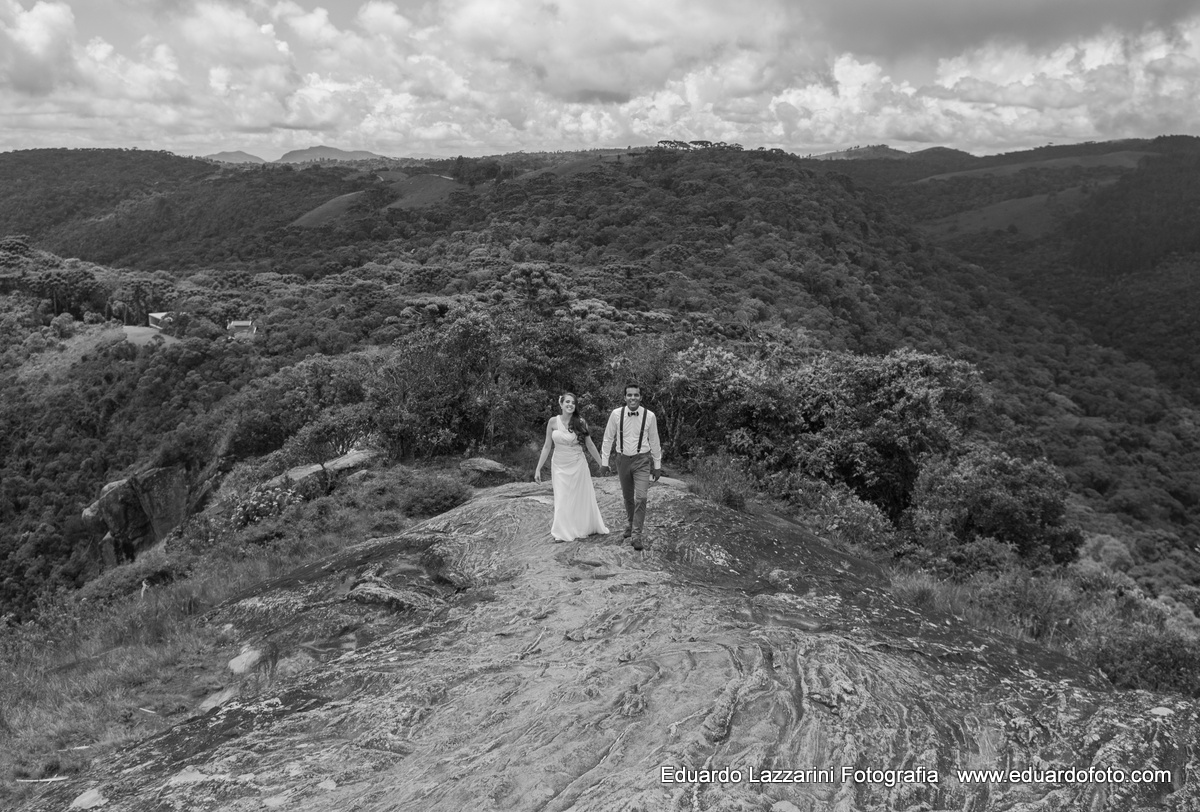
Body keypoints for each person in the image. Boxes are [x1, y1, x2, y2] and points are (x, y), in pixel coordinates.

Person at [534, 392, 609, 542]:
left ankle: (581, 527)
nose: (570, 405)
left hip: (577, 464)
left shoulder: (580, 422)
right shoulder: (552, 422)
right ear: (561, 404)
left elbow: (590, 445)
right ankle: (562, 532)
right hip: (559, 465)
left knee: (578, 497)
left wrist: (602, 464)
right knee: (562, 497)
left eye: (573, 403)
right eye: (567, 402)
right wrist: (538, 468)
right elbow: (547, 446)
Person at [599, 383, 662, 550]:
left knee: (641, 497)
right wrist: (604, 462)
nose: (632, 398)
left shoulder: (650, 416)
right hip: (622, 460)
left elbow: (654, 440)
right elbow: (608, 438)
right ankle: (630, 523)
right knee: (628, 497)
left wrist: (657, 465)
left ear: (640, 397)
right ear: (624, 397)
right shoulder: (616, 414)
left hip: (642, 460)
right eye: (629, 395)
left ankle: (636, 535)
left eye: (636, 395)